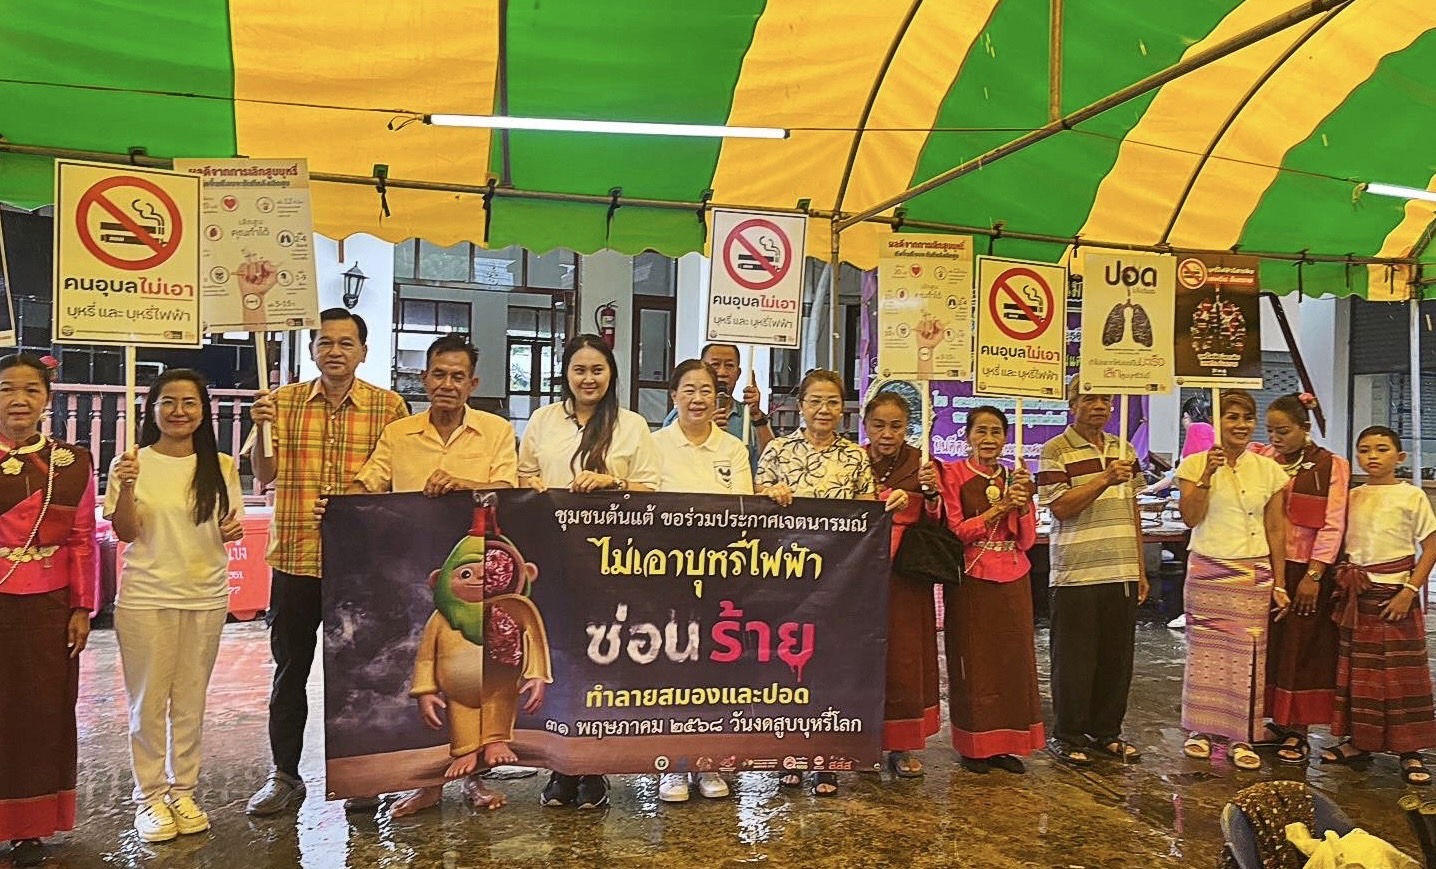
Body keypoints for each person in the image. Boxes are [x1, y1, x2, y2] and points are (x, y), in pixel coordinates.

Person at [342, 334, 518, 816]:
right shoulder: (399, 434)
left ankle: (474, 779)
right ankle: (427, 783)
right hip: (409, 577)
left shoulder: (495, 431)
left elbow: (511, 488)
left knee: (473, 678)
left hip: (473, 582)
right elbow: (370, 482)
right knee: (421, 676)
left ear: (472, 384)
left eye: (458, 377)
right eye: (438, 374)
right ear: (424, 378)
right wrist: (339, 506)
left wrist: (467, 486)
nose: (447, 384)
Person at [246, 309, 409, 816]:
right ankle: (284, 775)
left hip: (361, 566)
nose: (335, 351)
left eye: (345, 343)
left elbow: (398, 480)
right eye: (325, 342)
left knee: (363, 673)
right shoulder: (282, 403)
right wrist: (262, 428)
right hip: (296, 558)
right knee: (290, 671)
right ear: (313, 350)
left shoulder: (389, 407)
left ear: (363, 351)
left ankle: (363, 778)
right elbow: (264, 473)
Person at [519, 334, 661, 809]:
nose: (588, 378)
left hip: (611, 561)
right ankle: (561, 767)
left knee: (602, 658)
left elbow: (653, 489)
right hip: (554, 557)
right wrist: (535, 486)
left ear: (611, 374)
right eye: (579, 369)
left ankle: (595, 768)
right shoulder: (543, 420)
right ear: (566, 374)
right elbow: (522, 476)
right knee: (559, 658)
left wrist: (612, 481)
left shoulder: (631, 425)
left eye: (597, 370)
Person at [106, 370, 245, 844]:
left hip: (205, 595)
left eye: (189, 402)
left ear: (203, 411)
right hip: (146, 596)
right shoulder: (131, 463)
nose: (179, 411)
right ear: (153, 409)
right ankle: (149, 797)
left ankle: (184, 791)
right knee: (147, 703)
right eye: (168, 402)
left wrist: (230, 529)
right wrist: (126, 487)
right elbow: (126, 532)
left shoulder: (221, 466)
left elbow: (229, 524)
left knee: (190, 701)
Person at [757, 369, 904, 795]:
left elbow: (866, 513)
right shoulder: (778, 451)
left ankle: (826, 758)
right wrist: (769, 494)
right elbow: (753, 500)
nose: (824, 409)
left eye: (833, 402)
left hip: (838, 582)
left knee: (830, 664)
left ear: (844, 409)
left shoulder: (855, 457)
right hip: (785, 578)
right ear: (800, 405)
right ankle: (786, 754)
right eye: (815, 400)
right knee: (785, 665)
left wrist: (887, 504)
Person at [0, 354, 96, 868]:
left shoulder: (72, 463)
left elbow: (82, 539)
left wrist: (82, 607)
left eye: (30, 390)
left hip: (50, 606)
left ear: (47, 399)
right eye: (6, 389)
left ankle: (29, 827)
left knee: (41, 714)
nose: (18, 400)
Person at [651, 358, 752, 802]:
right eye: (689, 390)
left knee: (715, 668)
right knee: (671, 667)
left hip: (720, 576)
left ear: (718, 398)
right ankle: (672, 764)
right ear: (674, 396)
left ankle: (711, 762)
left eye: (706, 390)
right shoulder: (654, 445)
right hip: (666, 575)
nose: (697, 398)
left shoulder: (734, 449)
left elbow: (745, 510)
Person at [924, 405, 1043, 774]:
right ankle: (974, 746)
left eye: (996, 432)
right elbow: (956, 531)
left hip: (1014, 577)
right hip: (972, 577)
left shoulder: (1016, 478)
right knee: (973, 662)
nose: (988, 439)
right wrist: (999, 509)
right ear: (967, 436)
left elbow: (1027, 540)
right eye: (981, 431)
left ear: (1005, 438)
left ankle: (1006, 744)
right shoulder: (953, 475)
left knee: (1013, 661)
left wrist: (1023, 505)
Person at [1176, 389, 1288, 771]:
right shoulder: (1193, 464)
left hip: (1252, 575)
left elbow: (1277, 529)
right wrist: (1207, 474)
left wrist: (1280, 582)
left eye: (1247, 418)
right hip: (1207, 571)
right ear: (1217, 422)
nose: (1241, 425)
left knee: (1248, 659)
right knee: (1204, 654)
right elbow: (1190, 517)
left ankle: (1242, 737)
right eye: (1232, 417)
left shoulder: (1269, 470)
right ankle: (1201, 730)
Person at [1037, 381, 1148, 767]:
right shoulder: (1055, 450)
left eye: (1105, 399)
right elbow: (1060, 507)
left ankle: (1107, 732)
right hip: (1076, 571)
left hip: (1121, 569)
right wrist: (1103, 479)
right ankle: (1067, 734)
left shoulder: (1125, 449)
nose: (1099, 405)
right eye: (1089, 399)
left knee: (1117, 660)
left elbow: (1133, 509)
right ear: (1073, 405)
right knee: (1074, 660)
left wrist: (1140, 566)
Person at [1323, 426, 1436, 786]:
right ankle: (1360, 742)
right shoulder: (1352, 496)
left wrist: (1409, 590)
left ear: (1399, 457)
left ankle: (1410, 750)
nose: (1372, 456)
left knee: (1401, 676)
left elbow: (1431, 547)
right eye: (1365, 449)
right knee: (1360, 674)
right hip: (1357, 597)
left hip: (1395, 595)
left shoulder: (1412, 495)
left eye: (1382, 449)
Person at [1249, 393, 1348, 766]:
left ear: (1305, 428)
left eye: (1284, 431)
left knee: (1302, 648)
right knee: (1270, 646)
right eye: (1271, 430)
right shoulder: (1262, 459)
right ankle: (1274, 721)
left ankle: (1298, 730)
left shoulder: (1330, 465)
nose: (1276, 438)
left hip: (1307, 569)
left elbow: (1334, 523)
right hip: (1267, 564)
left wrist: (1314, 574)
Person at [863, 392, 939, 778]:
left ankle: (902, 744)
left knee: (905, 658)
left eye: (896, 426)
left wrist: (930, 494)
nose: (887, 434)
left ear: (907, 428)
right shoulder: (852, 460)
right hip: (859, 578)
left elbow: (939, 521)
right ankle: (858, 742)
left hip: (905, 578)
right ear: (866, 426)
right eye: (879, 425)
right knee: (858, 657)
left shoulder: (922, 464)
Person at [660, 343, 773, 467]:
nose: (722, 372)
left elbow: (770, 461)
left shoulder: (748, 414)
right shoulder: (680, 416)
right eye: (715, 365)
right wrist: (704, 430)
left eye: (729, 365)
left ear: (738, 373)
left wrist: (757, 416)